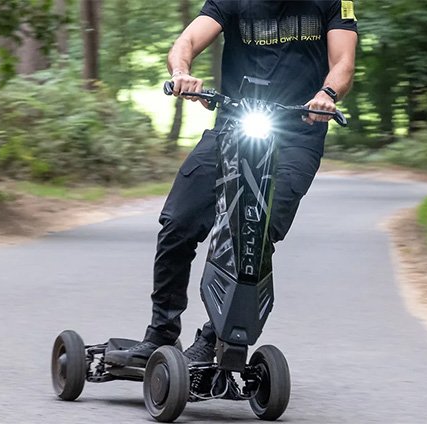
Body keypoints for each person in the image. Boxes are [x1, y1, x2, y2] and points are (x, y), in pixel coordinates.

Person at [106, 0, 358, 367]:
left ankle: (215, 339)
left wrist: (327, 95)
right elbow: (187, 42)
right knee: (178, 222)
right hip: (233, 127)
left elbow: (343, 63)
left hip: (297, 135)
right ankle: (160, 333)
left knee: (258, 231)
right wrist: (181, 73)